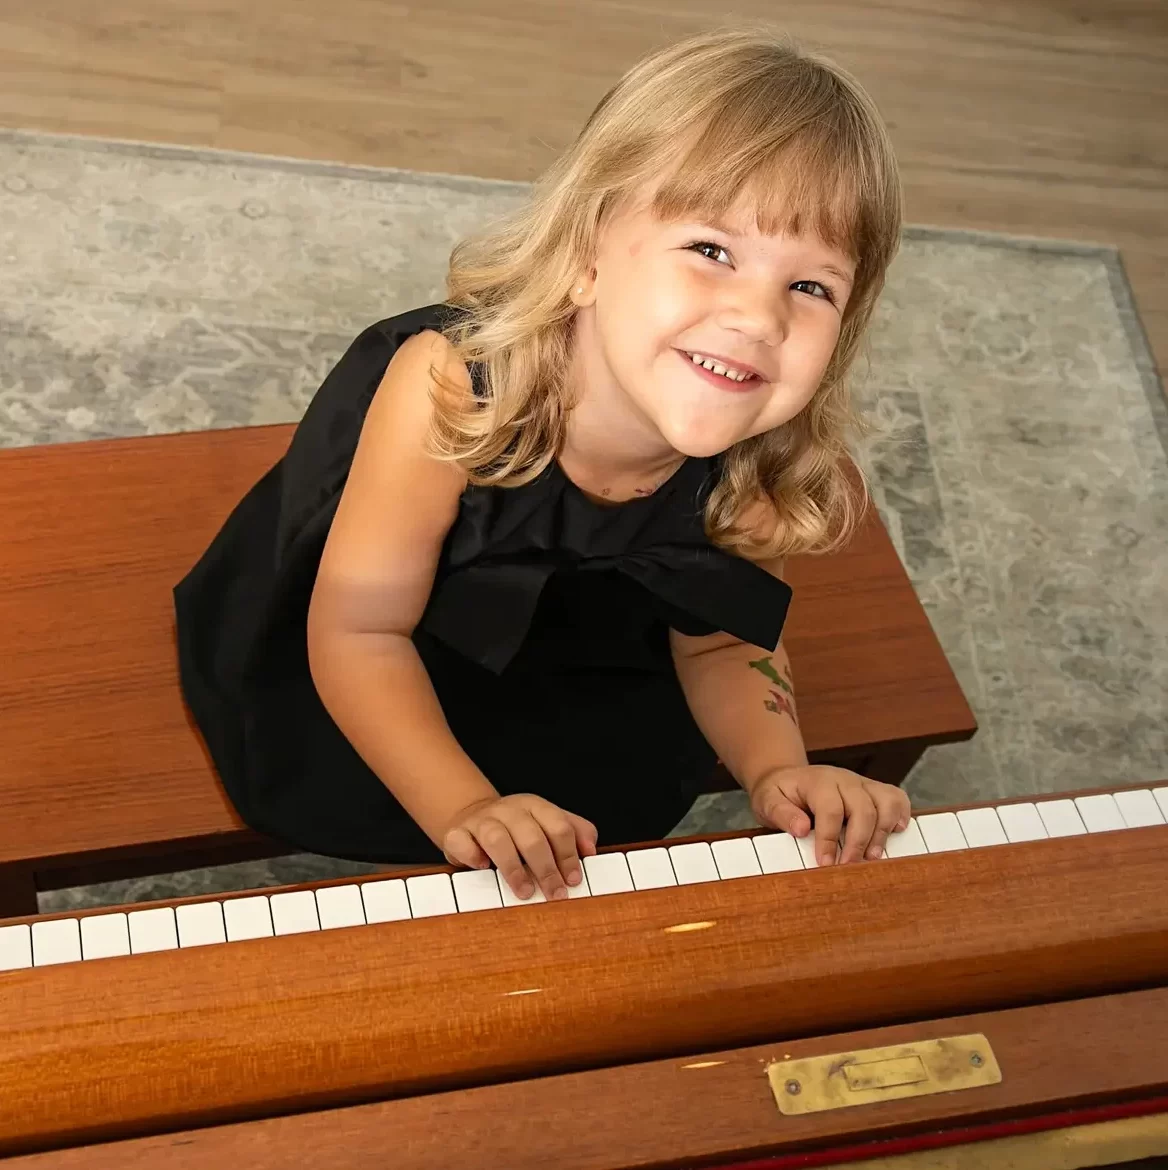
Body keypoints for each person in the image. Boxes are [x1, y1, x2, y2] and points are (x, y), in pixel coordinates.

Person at [174, 24, 913, 904]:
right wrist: (469, 806)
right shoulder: (455, 390)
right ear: (587, 253)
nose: (759, 316)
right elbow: (358, 632)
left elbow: (719, 638)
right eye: (712, 251)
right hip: (381, 640)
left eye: (811, 286)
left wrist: (776, 768)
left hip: (586, 669)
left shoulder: (760, 458)